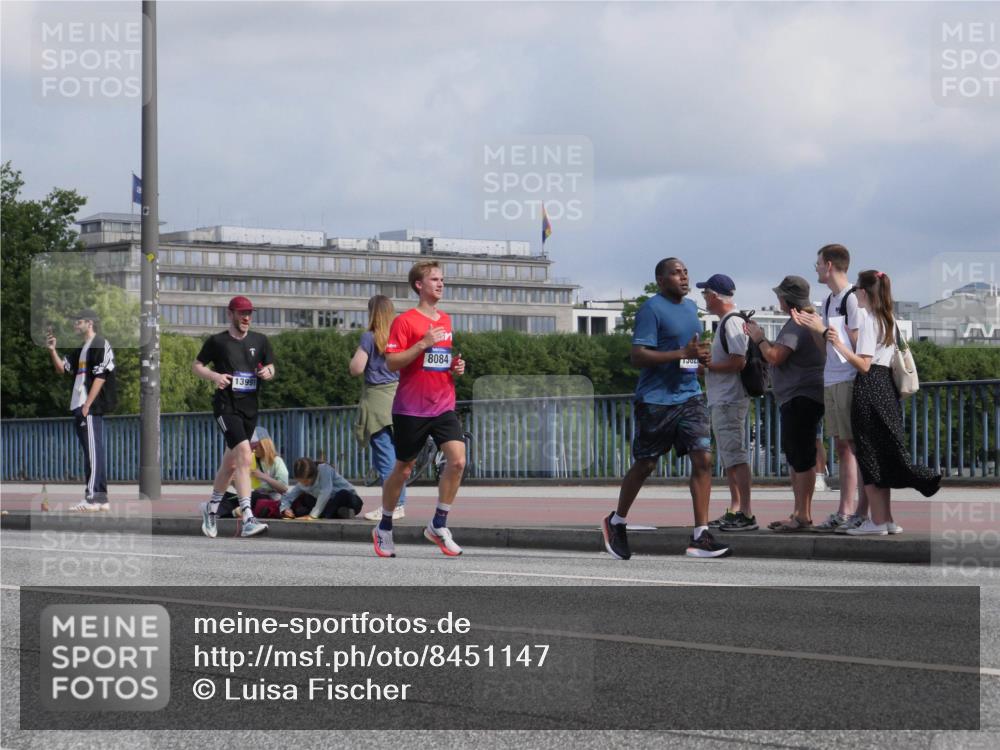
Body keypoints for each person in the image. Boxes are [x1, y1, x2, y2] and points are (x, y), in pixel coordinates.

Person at [601, 258, 730, 560]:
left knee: (703, 458)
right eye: (676, 273)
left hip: (689, 395)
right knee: (646, 465)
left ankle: (700, 535)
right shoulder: (651, 309)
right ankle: (616, 521)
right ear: (661, 280)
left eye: (685, 272)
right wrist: (681, 353)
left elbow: (682, 358)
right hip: (656, 399)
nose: (684, 277)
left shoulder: (691, 310)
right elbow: (638, 356)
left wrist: (696, 363)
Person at [793, 270, 940, 534]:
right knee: (882, 452)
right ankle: (886, 519)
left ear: (864, 292)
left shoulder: (870, 320)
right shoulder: (890, 320)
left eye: (858, 288)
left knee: (869, 455)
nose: (855, 293)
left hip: (870, 387)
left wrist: (839, 344)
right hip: (887, 388)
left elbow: (863, 364)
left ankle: (879, 521)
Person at [371, 260, 467, 558]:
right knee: (403, 468)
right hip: (411, 408)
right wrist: (423, 343)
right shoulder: (405, 322)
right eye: (435, 279)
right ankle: (384, 526)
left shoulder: (446, 320)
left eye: (442, 280)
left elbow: (437, 361)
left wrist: (455, 366)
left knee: (458, 461)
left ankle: (438, 524)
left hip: (443, 405)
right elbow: (392, 363)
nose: (441, 284)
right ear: (419, 285)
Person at [746, 276, 826, 532]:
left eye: (779, 295)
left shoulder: (797, 323)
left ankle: (803, 515)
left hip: (799, 396)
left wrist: (758, 337)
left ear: (787, 299)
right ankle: (799, 512)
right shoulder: (809, 319)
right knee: (797, 455)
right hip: (805, 395)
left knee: (800, 457)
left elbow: (775, 356)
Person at [193, 295, 275, 538]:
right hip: (225, 406)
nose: (246, 317)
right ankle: (248, 516)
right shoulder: (218, 342)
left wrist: (269, 372)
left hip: (250, 407)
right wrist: (215, 377)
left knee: (230, 464)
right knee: (244, 453)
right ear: (230, 314)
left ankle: (211, 509)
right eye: (241, 313)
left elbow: (270, 365)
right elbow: (196, 365)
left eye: (249, 313)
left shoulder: (260, 340)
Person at [812, 244, 868, 532]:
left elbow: (861, 347)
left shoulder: (852, 299)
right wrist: (816, 328)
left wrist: (830, 337)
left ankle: (852, 510)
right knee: (842, 445)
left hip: (848, 377)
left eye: (818, 264)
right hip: (832, 376)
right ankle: (847, 509)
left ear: (830, 265)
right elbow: (827, 344)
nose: (817, 268)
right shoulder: (827, 301)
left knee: (850, 446)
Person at [698, 274, 756, 532]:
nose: (704, 300)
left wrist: (710, 366)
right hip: (724, 398)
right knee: (730, 456)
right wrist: (698, 365)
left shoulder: (731, 323)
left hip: (729, 399)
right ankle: (735, 509)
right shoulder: (728, 322)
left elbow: (737, 361)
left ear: (713, 296)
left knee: (735, 455)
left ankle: (746, 512)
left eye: (705, 295)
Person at [46, 309, 117, 511]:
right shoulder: (82, 349)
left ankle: (93, 498)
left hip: (89, 407)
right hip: (80, 405)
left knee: (93, 453)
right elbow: (62, 368)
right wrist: (52, 350)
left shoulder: (100, 344)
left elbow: (101, 377)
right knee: (91, 452)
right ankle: (101, 499)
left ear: (89, 323)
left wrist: (87, 405)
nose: (75, 324)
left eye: (78, 321)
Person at [350, 295, 407, 521]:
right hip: (400, 400)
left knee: (385, 457)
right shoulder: (399, 339)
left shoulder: (369, 337)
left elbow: (356, 368)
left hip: (377, 403)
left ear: (372, 313)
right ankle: (397, 503)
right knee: (397, 457)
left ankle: (394, 506)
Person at [279, 458, 363, 520]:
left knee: (342, 494)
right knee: (306, 498)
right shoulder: (302, 484)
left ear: (313, 475)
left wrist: (312, 516)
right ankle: (340, 513)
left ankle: (327, 515)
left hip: (350, 500)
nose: (304, 484)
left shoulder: (324, 470)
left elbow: (325, 493)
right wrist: (285, 509)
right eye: (301, 482)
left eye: (306, 481)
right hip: (329, 505)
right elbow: (289, 496)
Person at [248, 429, 288, 517]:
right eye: (252, 447)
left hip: (271, 497)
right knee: (229, 497)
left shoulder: (277, 461)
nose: (253, 450)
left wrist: (263, 477)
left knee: (255, 497)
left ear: (264, 445)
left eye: (255, 447)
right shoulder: (253, 460)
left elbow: (284, 489)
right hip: (256, 495)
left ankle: (242, 511)